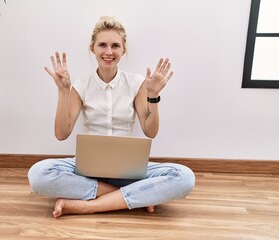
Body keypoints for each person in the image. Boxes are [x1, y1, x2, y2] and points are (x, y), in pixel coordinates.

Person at [28, 16, 195, 218]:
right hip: (87, 170)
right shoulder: (81, 86)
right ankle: (134, 197)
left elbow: (150, 131)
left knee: (185, 177)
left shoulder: (136, 83)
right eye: (102, 45)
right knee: (38, 174)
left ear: (123, 50)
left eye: (115, 45)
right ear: (93, 48)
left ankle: (88, 205)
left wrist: (152, 96)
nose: (109, 52)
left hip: (128, 171)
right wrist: (63, 91)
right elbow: (61, 133)